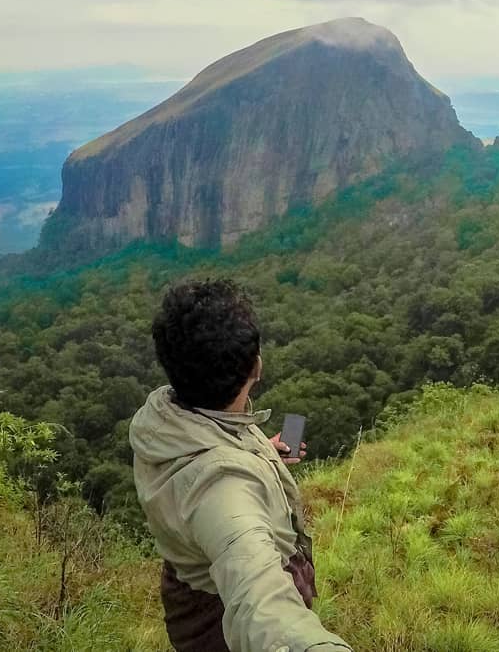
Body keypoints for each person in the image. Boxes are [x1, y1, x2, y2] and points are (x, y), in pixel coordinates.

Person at [129, 278, 351, 652]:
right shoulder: (221, 490)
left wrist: (264, 449)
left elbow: (209, 458)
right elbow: (260, 599)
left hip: (192, 589)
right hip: (220, 621)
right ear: (257, 367)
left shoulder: (166, 419)